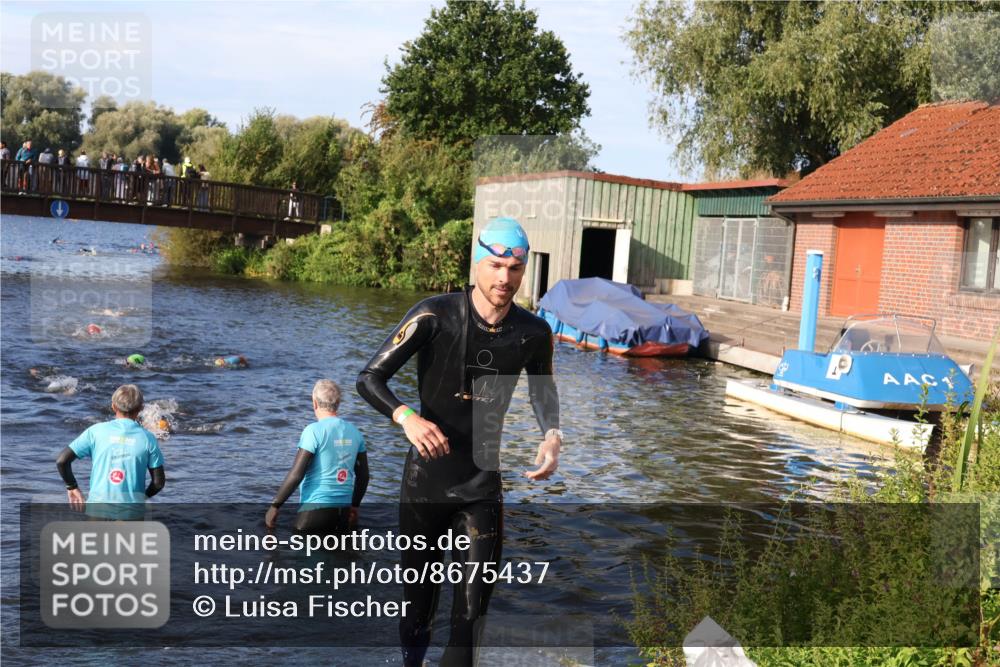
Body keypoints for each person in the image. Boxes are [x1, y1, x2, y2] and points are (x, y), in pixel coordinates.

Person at [357, 216, 561, 666]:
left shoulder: (533, 333)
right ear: (477, 263)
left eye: (514, 269)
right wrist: (406, 416)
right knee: (418, 609)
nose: (504, 279)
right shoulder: (434, 314)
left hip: (481, 484)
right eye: (494, 266)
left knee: (471, 616)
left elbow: (543, 392)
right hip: (425, 482)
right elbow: (369, 378)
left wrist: (552, 435)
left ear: (523, 270)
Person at [265, 380, 369, 534]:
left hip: (314, 511)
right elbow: (363, 476)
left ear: (314, 402)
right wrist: (354, 505)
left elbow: (297, 474)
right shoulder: (355, 432)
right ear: (338, 403)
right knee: (339, 555)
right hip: (343, 513)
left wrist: (275, 506)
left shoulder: (312, 431)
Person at [55, 384, 166, 511]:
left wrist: (72, 487)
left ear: (113, 406)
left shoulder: (95, 431)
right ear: (140, 408)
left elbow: (62, 461)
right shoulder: (148, 438)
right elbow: (158, 483)